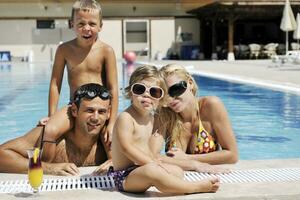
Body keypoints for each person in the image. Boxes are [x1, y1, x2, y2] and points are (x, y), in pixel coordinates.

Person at [110, 65, 219, 194]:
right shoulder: (126, 118)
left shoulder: (150, 119)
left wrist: (156, 162)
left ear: (161, 99)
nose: (146, 95)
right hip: (124, 177)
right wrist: (152, 163)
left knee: (176, 171)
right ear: (130, 92)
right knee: (152, 170)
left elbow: (147, 149)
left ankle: (167, 181)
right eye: (140, 89)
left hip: (140, 169)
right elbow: (126, 148)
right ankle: (193, 188)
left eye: (154, 92)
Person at [41, 0, 118, 162]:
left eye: (92, 23)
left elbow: (113, 87)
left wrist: (111, 121)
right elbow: (55, 83)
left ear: (100, 26)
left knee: (111, 140)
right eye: (81, 23)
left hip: (100, 107)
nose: (87, 28)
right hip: (75, 105)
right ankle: (47, 167)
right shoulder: (64, 50)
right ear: (72, 24)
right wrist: (51, 114)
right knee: (49, 130)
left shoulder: (106, 51)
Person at [0, 83, 112, 175]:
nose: (95, 118)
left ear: (108, 113)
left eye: (101, 112)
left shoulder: (109, 140)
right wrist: (48, 168)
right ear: (74, 111)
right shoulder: (54, 138)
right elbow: (2, 154)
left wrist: (117, 163)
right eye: (89, 111)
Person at [158, 64, 238, 165]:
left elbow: (232, 155)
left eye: (175, 89)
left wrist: (187, 158)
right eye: (164, 94)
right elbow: (150, 154)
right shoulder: (165, 114)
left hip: (209, 177)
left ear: (190, 83)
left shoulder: (211, 106)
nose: (170, 98)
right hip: (178, 177)